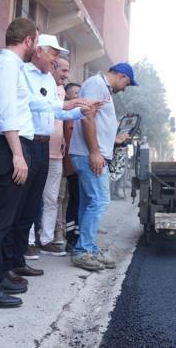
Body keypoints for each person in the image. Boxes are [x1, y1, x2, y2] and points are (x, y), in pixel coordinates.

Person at [0, 18, 40, 308]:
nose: (35, 46)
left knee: (5, 219)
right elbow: (5, 113)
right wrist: (17, 154)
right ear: (28, 40)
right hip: (6, 145)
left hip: (7, 144)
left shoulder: (8, 66)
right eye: (35, 41)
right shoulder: (5, 66)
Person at [69, 63, 138, 271]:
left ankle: (86, 247)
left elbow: (98, 122)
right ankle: (83, 251)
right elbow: (87, 117)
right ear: (122, 76)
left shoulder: (102, 88)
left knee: (89, 202)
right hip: (89, 154)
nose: (125, 88)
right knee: (100, 200)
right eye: (127, 83)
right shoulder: (96, 84)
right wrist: (95, 152)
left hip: (90, 153)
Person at [27, 49, 88, 257]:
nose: (65, 74)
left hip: (55, 153)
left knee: (52, 198)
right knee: (31, 197)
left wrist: (83, 111)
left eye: (67, 71)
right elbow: (40, 108)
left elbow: (61, 114)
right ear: (52, 67)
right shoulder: (36, 82)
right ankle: (28, 241)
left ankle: (46, 240)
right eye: (63, 69)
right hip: (34, 146)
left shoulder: (60, 90)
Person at [62, 83, 82, 250]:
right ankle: (71, 237)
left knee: (79, 200)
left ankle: (76, 234)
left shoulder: (81, 115)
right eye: (74, 93)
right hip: (72, 164)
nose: (77, 95)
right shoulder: (66, 115)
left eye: (79, 92)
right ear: (67, 96)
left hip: (82, 164)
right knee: (75, 200)